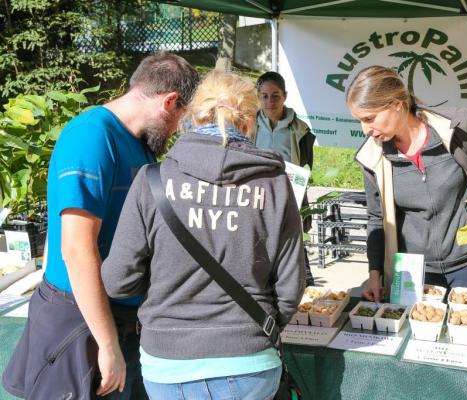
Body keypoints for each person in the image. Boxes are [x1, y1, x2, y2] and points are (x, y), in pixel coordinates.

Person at [3, 52, 199, 399]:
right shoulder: (91, 136)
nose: (177, 131)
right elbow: (77, 249)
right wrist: (107, 345)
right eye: (181, 118)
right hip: (80, 321)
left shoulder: (140, 147)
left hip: (123, 320)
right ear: (170, 102)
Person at [101, 70, 305, 400]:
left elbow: (118, 280)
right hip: (249, 362)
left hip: (168, 364)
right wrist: (257, 325)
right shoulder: (275, 185)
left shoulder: (153, 180)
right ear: (250, 121)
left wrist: (163, 286)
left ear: (193, 116)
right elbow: (291, 286)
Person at [347, 66, 467, 303]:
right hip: (414, 270)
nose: (365, 130)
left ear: (397, 105)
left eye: (369, 119)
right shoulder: (372, 158)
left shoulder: (457, 127)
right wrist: (374, 273)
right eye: (359, 121)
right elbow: (377, 218)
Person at [255, 71, 317, 286]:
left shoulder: (299, 129)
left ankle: (303, 283)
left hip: (289, 193)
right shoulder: (249, 125)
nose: (270, 101)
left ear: (285, 96)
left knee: (292, 239)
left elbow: (305, 165)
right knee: (260, 239)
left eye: (275, 95)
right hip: (258, 193)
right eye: (264, 96)